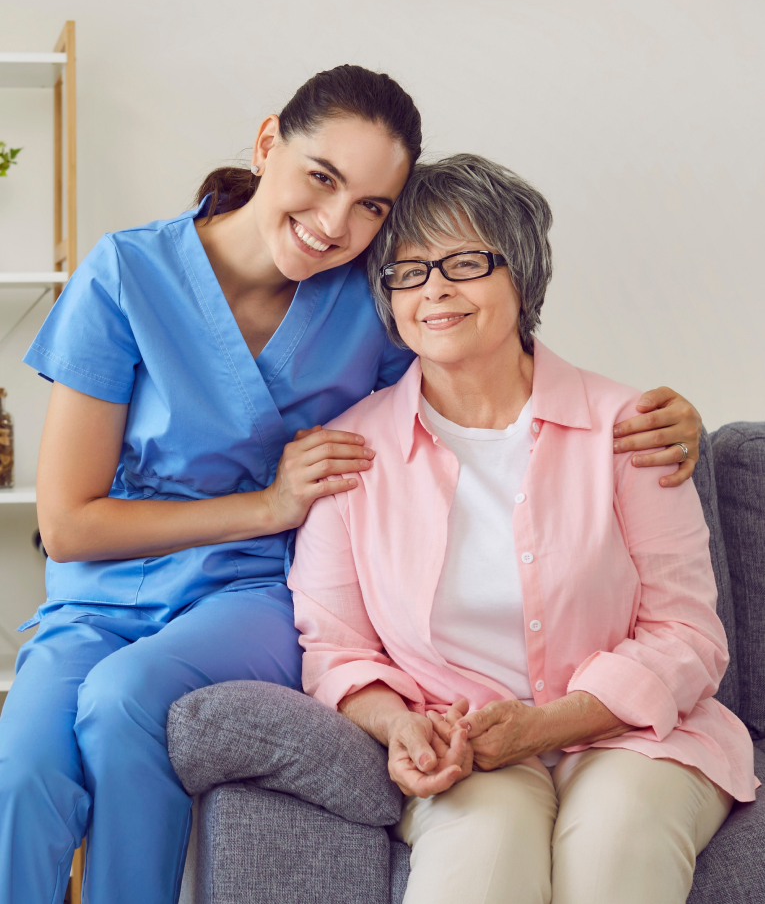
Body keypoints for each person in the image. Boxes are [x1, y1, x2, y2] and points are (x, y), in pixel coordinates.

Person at [0, 67, 700, 904]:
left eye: (371, 206)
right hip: (102, 588)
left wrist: (663, 415)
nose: (336, 224)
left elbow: (486, 378)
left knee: (123, 703)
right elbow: (69, 525)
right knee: (22, 766)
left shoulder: (371, 295)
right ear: (267, 144)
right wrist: (268, 504)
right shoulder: (124, 274)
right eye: (321, 178)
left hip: (251, 587)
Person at [289, 154, 757, 904]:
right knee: (478, 862)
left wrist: (545, 725)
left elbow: (687, 635)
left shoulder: (628, 429)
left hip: (635, 734)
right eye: (407, 271)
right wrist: (398, 725)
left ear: (522, 274)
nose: (433, 287)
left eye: (463, 261)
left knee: (613, 847)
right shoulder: (352, 453)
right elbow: (335, 645)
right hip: (464, 748)